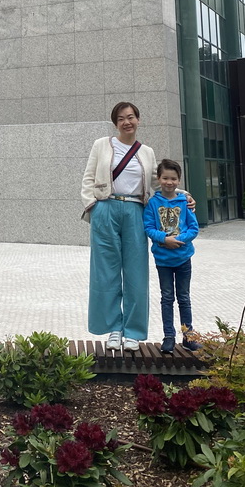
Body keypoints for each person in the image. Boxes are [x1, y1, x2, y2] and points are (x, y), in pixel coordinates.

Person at [80, 101, 159, 352]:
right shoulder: (102, 145)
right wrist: (92, 205)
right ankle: (114, 328)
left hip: (136, 210)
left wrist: (182, 195)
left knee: (136, 272)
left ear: (138, 120)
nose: (127, 122)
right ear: (116, 123)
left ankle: (133, 331)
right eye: (121, 118)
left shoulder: (147, 152)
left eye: (131, 117)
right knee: (106, 272)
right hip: (106, 208)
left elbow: (158, 185)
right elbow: (89, 177)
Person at [143, 158, 199, 354]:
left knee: (184, 297)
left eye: (173, 178)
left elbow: (194, 228)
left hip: (183, 258)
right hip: (163, 260)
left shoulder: (185, 202)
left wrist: (180, 239)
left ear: (179, 180)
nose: (169, 182)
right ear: (158, 178)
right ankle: (168, 336)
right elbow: (148, 227)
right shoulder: (152, 203)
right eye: (165, 178)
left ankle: (188, 336)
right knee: (167, 298)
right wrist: (165, 239)